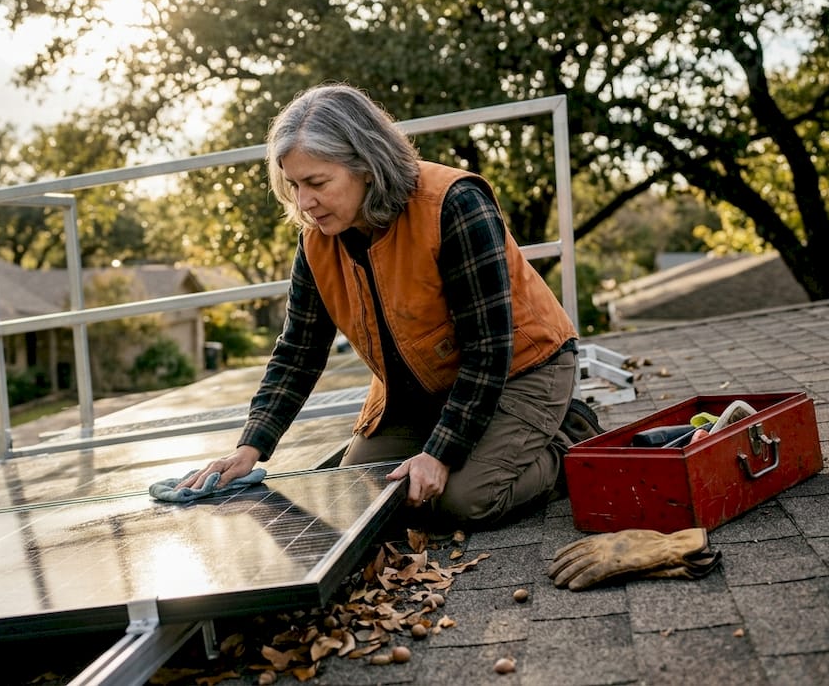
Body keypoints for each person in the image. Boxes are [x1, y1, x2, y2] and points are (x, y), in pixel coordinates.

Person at [179, 82, 598, 529]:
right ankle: (488, 442)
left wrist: (439, 454)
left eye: (317, 182)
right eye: (295, 184)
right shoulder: (315, 240)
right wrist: (251, 447)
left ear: (366, 165)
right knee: (367, 498)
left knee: (463, 501)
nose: (304, 202)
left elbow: (489, 349)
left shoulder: (455, 204)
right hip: (418, 393)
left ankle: (568, 442)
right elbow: (298, 351)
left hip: (521, 370)